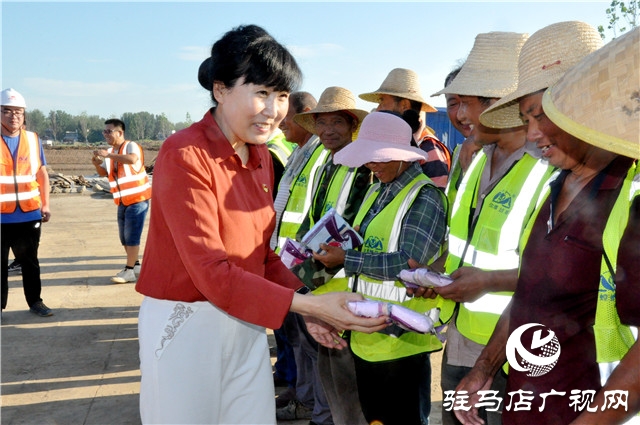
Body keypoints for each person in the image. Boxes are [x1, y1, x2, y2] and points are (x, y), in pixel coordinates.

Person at [134, 25, 387, 425]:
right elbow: (211, 272)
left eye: (282, 96)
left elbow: (259, 256)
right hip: (185, 323)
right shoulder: (184, 154)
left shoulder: (260, 157)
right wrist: (307, 304)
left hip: (247, 318)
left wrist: (307, 308)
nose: (273, 110)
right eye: (261, 93)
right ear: (221, 90)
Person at [454, 25, 638, 425]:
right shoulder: (551, 189)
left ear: (586, 107)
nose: (533, 135)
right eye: (525, 118)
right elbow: (528, 294)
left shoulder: (630, 192)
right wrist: (484, 369)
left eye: (542, 115)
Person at [429, 31, 558, 425]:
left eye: (464, 103)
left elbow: (555, 276)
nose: (457, 115)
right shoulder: (474, 162)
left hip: (514, 348)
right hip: (461, 335)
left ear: (497, 105)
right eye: (453, 104)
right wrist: (435, 270)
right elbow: (462, 240)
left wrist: (486, 281)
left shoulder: (548, 173)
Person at [311, 111, 447, 425]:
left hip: (402, 340)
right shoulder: (376, 190)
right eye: (368, 158)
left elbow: (408, 262)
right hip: (367, 335)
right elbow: (364, 245)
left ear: (402, 156)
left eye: (380, 158)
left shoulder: (425, 198)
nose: (372, 165)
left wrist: (346, 259)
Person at [0, 88, 52, 317]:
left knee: (30, 262)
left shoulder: (33, 140)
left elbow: (41, 174)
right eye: (7, 111)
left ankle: (35, 302)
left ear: (24, 115)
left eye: (18, 112)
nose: (14, 116)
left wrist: (46, 204)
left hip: (29, 214)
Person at [359, 68, 451, 188]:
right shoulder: (407, 144)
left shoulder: (430, 151)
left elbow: (435, 200)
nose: (378, 109)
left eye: (382, 101)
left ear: (404, 105)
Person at [92, 119, 151, 284]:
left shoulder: (131, 146)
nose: (106, 134)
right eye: (104, 131)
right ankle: (136, 265)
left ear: (120, 132)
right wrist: (97, 163)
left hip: (138, 199)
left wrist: (108, 155)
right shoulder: (110, 152)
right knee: (124, 238)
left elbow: (132, 160)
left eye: (109, 131)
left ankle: (129, 271)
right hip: (122, 200)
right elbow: (103, 173)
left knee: (132, 236)